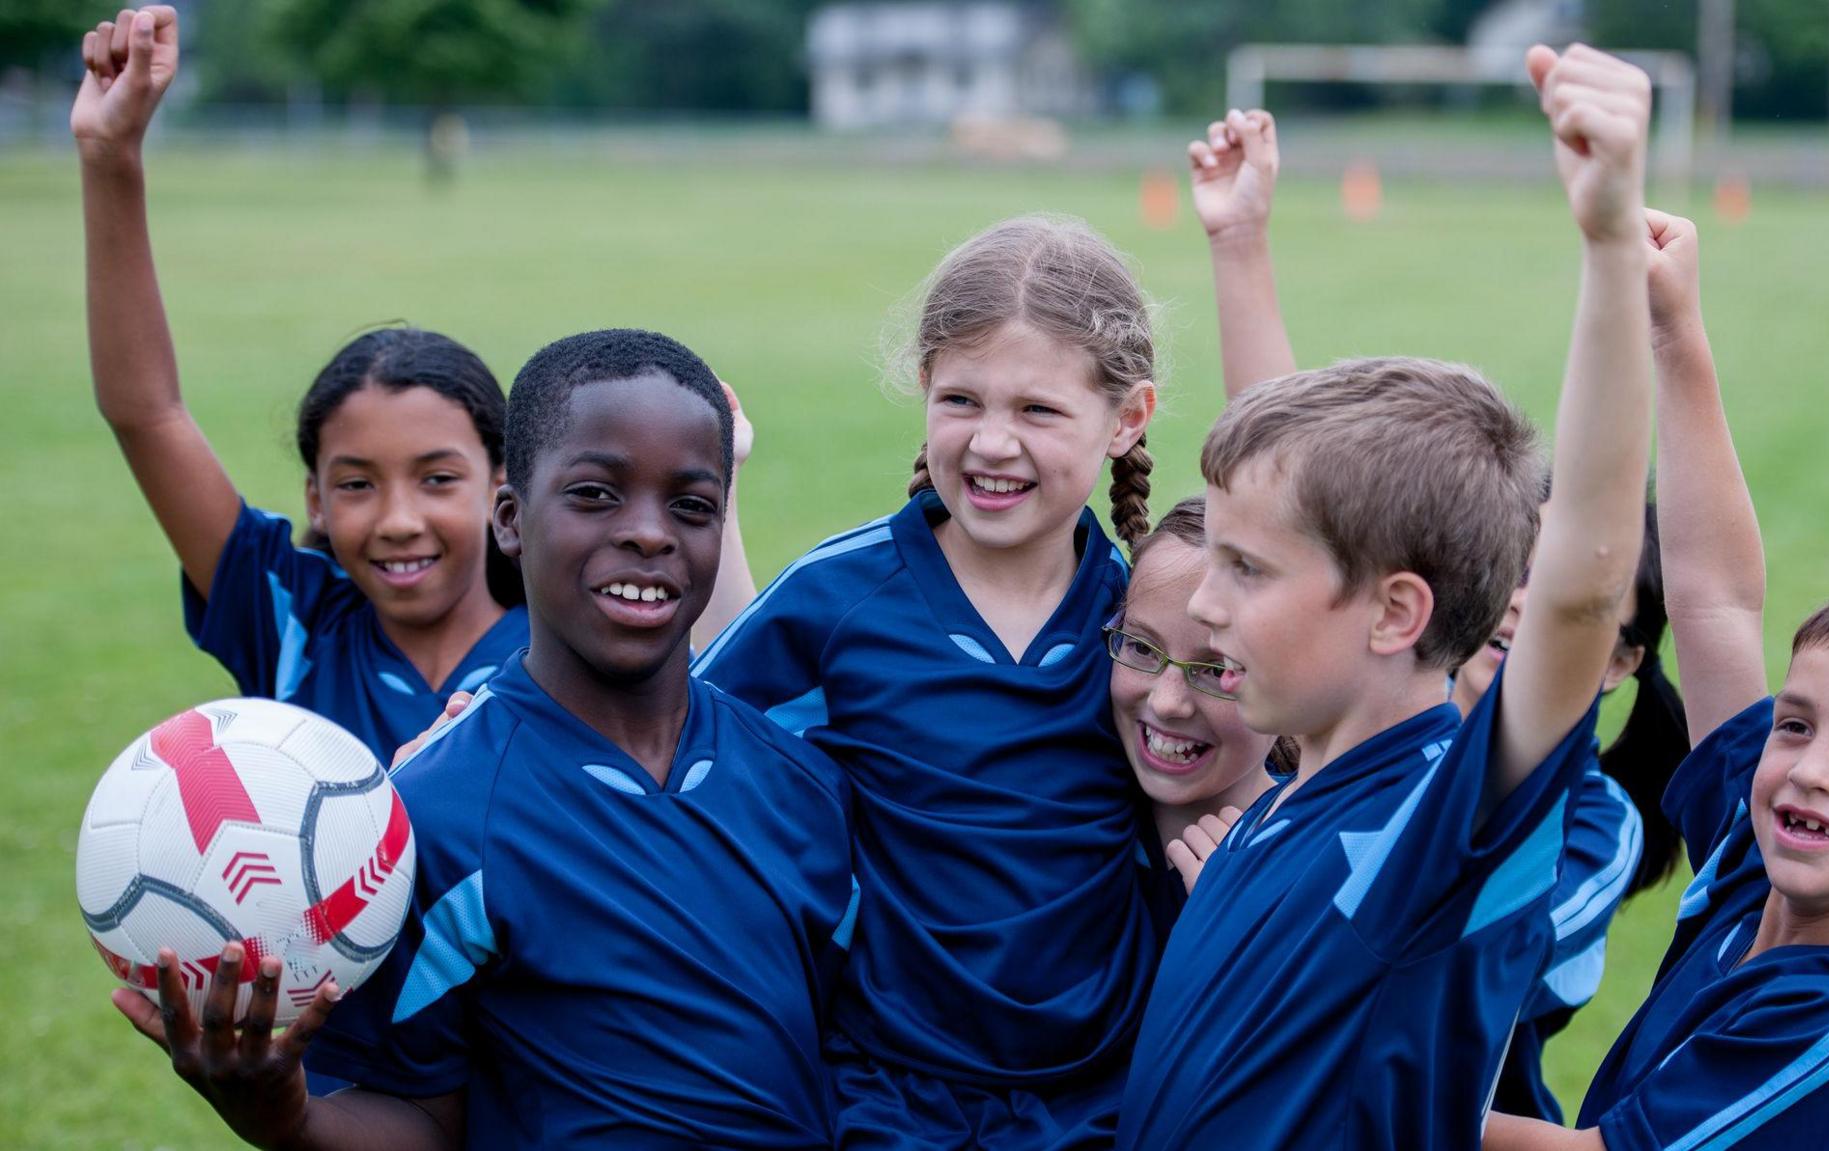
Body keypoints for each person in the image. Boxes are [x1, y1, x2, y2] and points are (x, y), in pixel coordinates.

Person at [112, 329, 858, 1150]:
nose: (649, 532)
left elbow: (861, 1052)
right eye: (596, 495)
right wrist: (282, 1113)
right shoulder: (429, 816)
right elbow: (425, 1116)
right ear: (509, 517)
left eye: (690, 505)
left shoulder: (806, 785)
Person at [1116, 44, 1658, 1149]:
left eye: (1243, 573)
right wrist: (1237, 246)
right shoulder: (1292, 764)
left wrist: (1607, 247)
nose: (1202, 605)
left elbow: (1574, 593)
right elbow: (1289, 489)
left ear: (1394, 614)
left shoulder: (1434, 826)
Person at [1478, 209, 1829, 1151]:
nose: (1811, 768)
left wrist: (1349, 1064)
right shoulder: (1760, 869)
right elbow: (1715, 606)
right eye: (1794, 724)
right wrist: (1674, 330)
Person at [692, 214, 1158, 1149]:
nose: (991, 443)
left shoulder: (1149, 617)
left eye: (1037, 410)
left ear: (1128, 419)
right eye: (960, 401)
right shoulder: (841, 597)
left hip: (1106, 1099)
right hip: (888, 1101)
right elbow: (699, 726)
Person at [73, 7, 525, 763]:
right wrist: (109, 156)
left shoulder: (566, 656)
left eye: (438, 477)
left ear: (501, 490)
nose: (398, 519)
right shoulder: (293, 619)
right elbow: (146, 413)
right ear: (314, 497)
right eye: (356, 485)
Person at [1455, 503, 1690, 1123]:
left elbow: (1459, 964)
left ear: (1619, 663)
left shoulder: (1599, 829)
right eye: (1519, 571)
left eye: (1572, 594)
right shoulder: (1374, 729)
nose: (1528, 604)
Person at [1107, 497, 1284, 906]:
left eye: (1216, 669)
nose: (1168, 702)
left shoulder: (1317, 854)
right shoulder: (1075, 817)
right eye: (1143, 649)